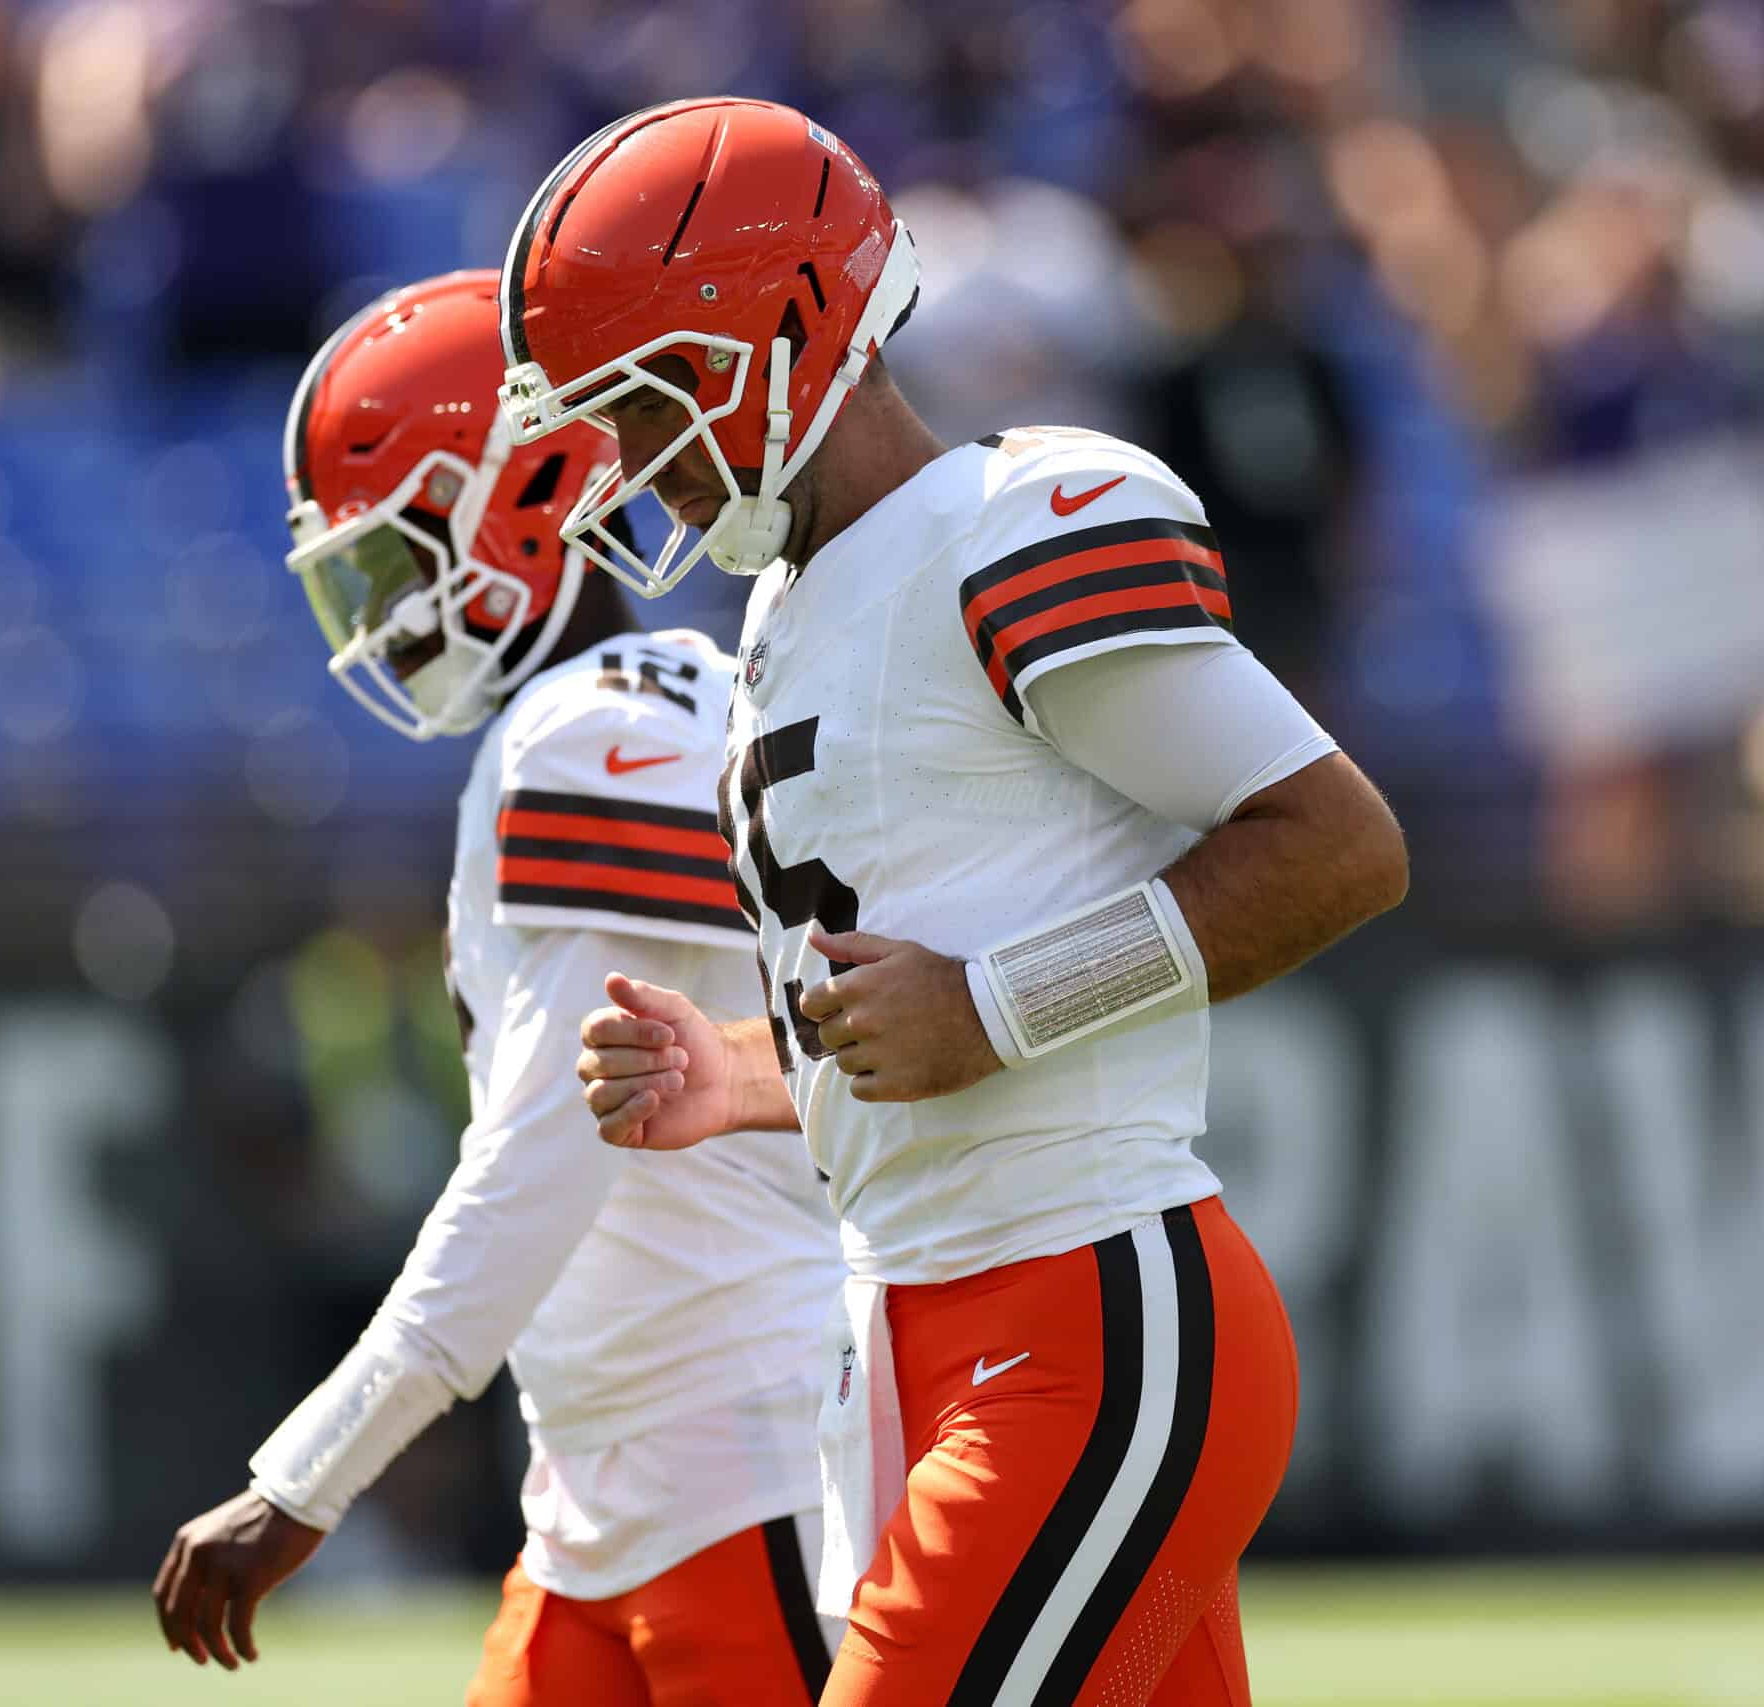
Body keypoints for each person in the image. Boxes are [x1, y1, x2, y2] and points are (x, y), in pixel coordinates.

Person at [512, 102, 1409, 1707]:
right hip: (921, 1327)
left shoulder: (1003, 525)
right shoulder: (791, 605)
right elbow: (921, 1007)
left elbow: (1336, 844)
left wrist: (993, 1006)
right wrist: (755, 1077)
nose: (629, 457)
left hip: (1086, 1312)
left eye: (645, 399)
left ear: (778, 342)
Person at [151, 269, 844, 1705]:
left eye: (395, 565)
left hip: (739, 1462)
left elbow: (543, 1157)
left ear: (522, 497)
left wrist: (308, 1474)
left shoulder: (589, 727)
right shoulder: (640, 702)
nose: (383, 622)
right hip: (609, 1482)